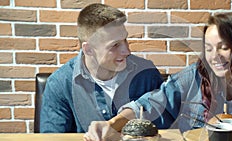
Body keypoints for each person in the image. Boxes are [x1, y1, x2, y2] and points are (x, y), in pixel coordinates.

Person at [84, 12, 232, 141]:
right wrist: (112, 124)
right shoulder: (193, 78)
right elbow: (150, 104)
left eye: (223, 47)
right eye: (208, 48)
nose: (214, 56)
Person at [40, 3, 164, 133]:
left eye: (125, 40)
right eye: (115, 45)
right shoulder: (60, 83)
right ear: (88, 50)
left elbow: (167, 129)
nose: (127, 51)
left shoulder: (147, 73)